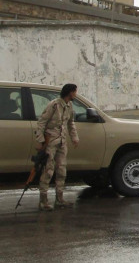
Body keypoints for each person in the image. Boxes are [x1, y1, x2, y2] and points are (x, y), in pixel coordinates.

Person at [35, 83, 80, 211]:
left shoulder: (69, 106)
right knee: (48, 170)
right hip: (50, 141)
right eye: (75, 92)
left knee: (61, 169)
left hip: (62, 141)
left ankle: (59, 199)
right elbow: (42, 122)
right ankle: (43, 201)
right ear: (70, 92)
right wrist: (41, 140)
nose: (75, 94)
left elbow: (71, 123)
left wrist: (74, 138)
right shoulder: (54, 105)